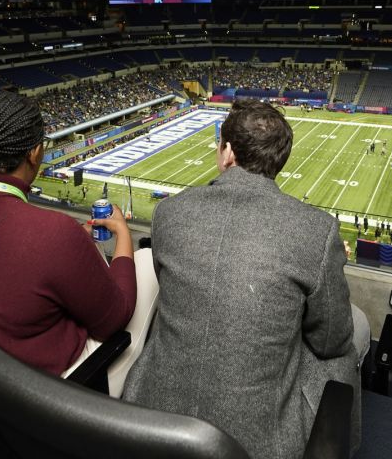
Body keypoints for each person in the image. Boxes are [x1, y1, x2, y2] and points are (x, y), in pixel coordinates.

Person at [122, 100, 365, 458]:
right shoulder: (317, 230)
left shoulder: (169, 212)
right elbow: (332, 340)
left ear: (228, 152)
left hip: (151, 420)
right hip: (253, 442)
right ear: (278, 159)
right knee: (347, 346)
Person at [0, 91, 148, 395]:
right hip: (34, 401)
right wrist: (124, 236)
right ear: (34, 153)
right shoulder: (52, 232)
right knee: (145, 269)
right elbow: (113, 319)